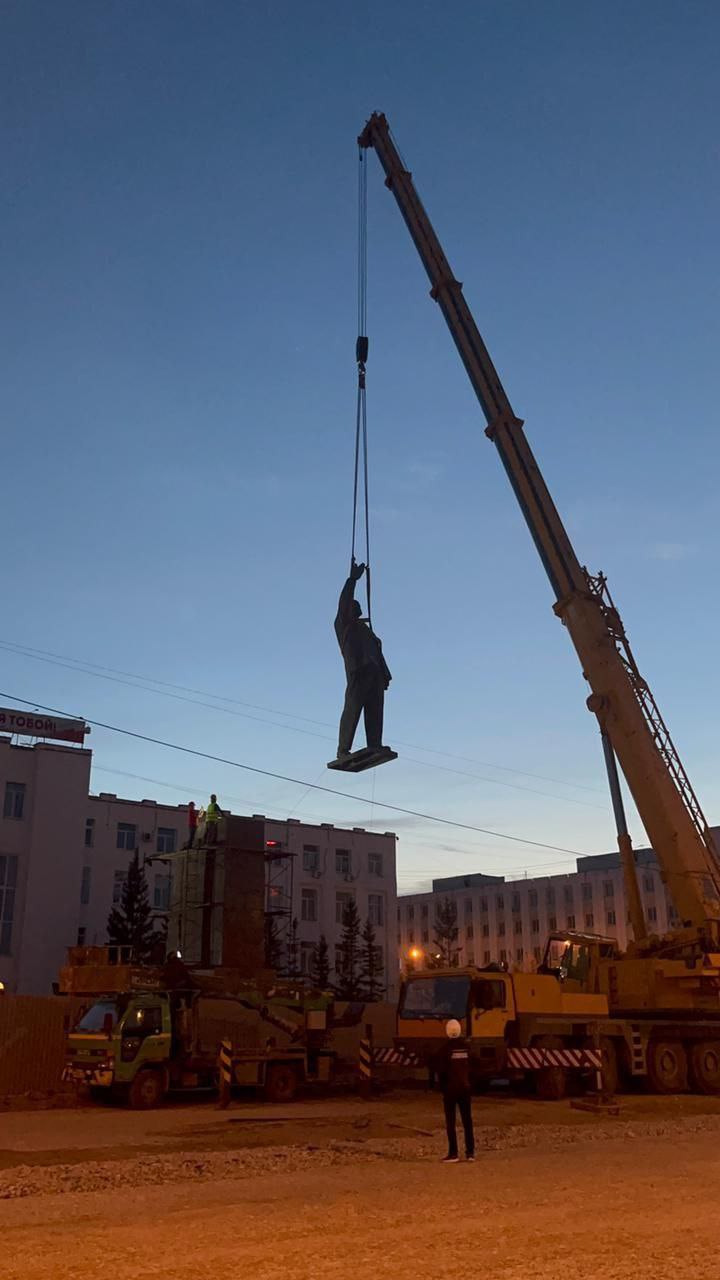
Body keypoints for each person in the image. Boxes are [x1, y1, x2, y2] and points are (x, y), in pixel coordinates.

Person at [334, 560, 391, 758]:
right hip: (359, 671)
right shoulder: (344, 625)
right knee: (353, 708)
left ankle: (375, 743)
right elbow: (344, 602)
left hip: (374, 672)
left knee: (375, 710)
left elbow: (377, 650)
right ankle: (343, 749)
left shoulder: (365, 629)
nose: (357, 608)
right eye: (354, 605)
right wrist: (352, 580)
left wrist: (383, 674)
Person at [436, 1018, 475, 1163]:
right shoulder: (467, 1048)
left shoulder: (445, 1050)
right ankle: (470, 1153)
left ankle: (453, 1154)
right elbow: (474, 1067)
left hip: (450, 1090)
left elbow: (441, 1071)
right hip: (465, 1089)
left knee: (451, 1122)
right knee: (467, 1120)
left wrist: (442, 1088)